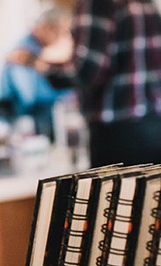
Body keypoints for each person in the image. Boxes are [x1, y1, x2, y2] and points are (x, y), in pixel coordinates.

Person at [36, 0, 161, 167]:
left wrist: (43, 67)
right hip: (153, 127)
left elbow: (85, 71)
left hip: (117, 135)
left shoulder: (96, 3)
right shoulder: (145, 3)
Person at [0, 8, 72, 140]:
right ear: (47, 27)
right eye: (60, 31)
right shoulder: (24, 51)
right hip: (20, 121)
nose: (61, 37)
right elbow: (29, 97)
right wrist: (66, 94)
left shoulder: (36, 51)